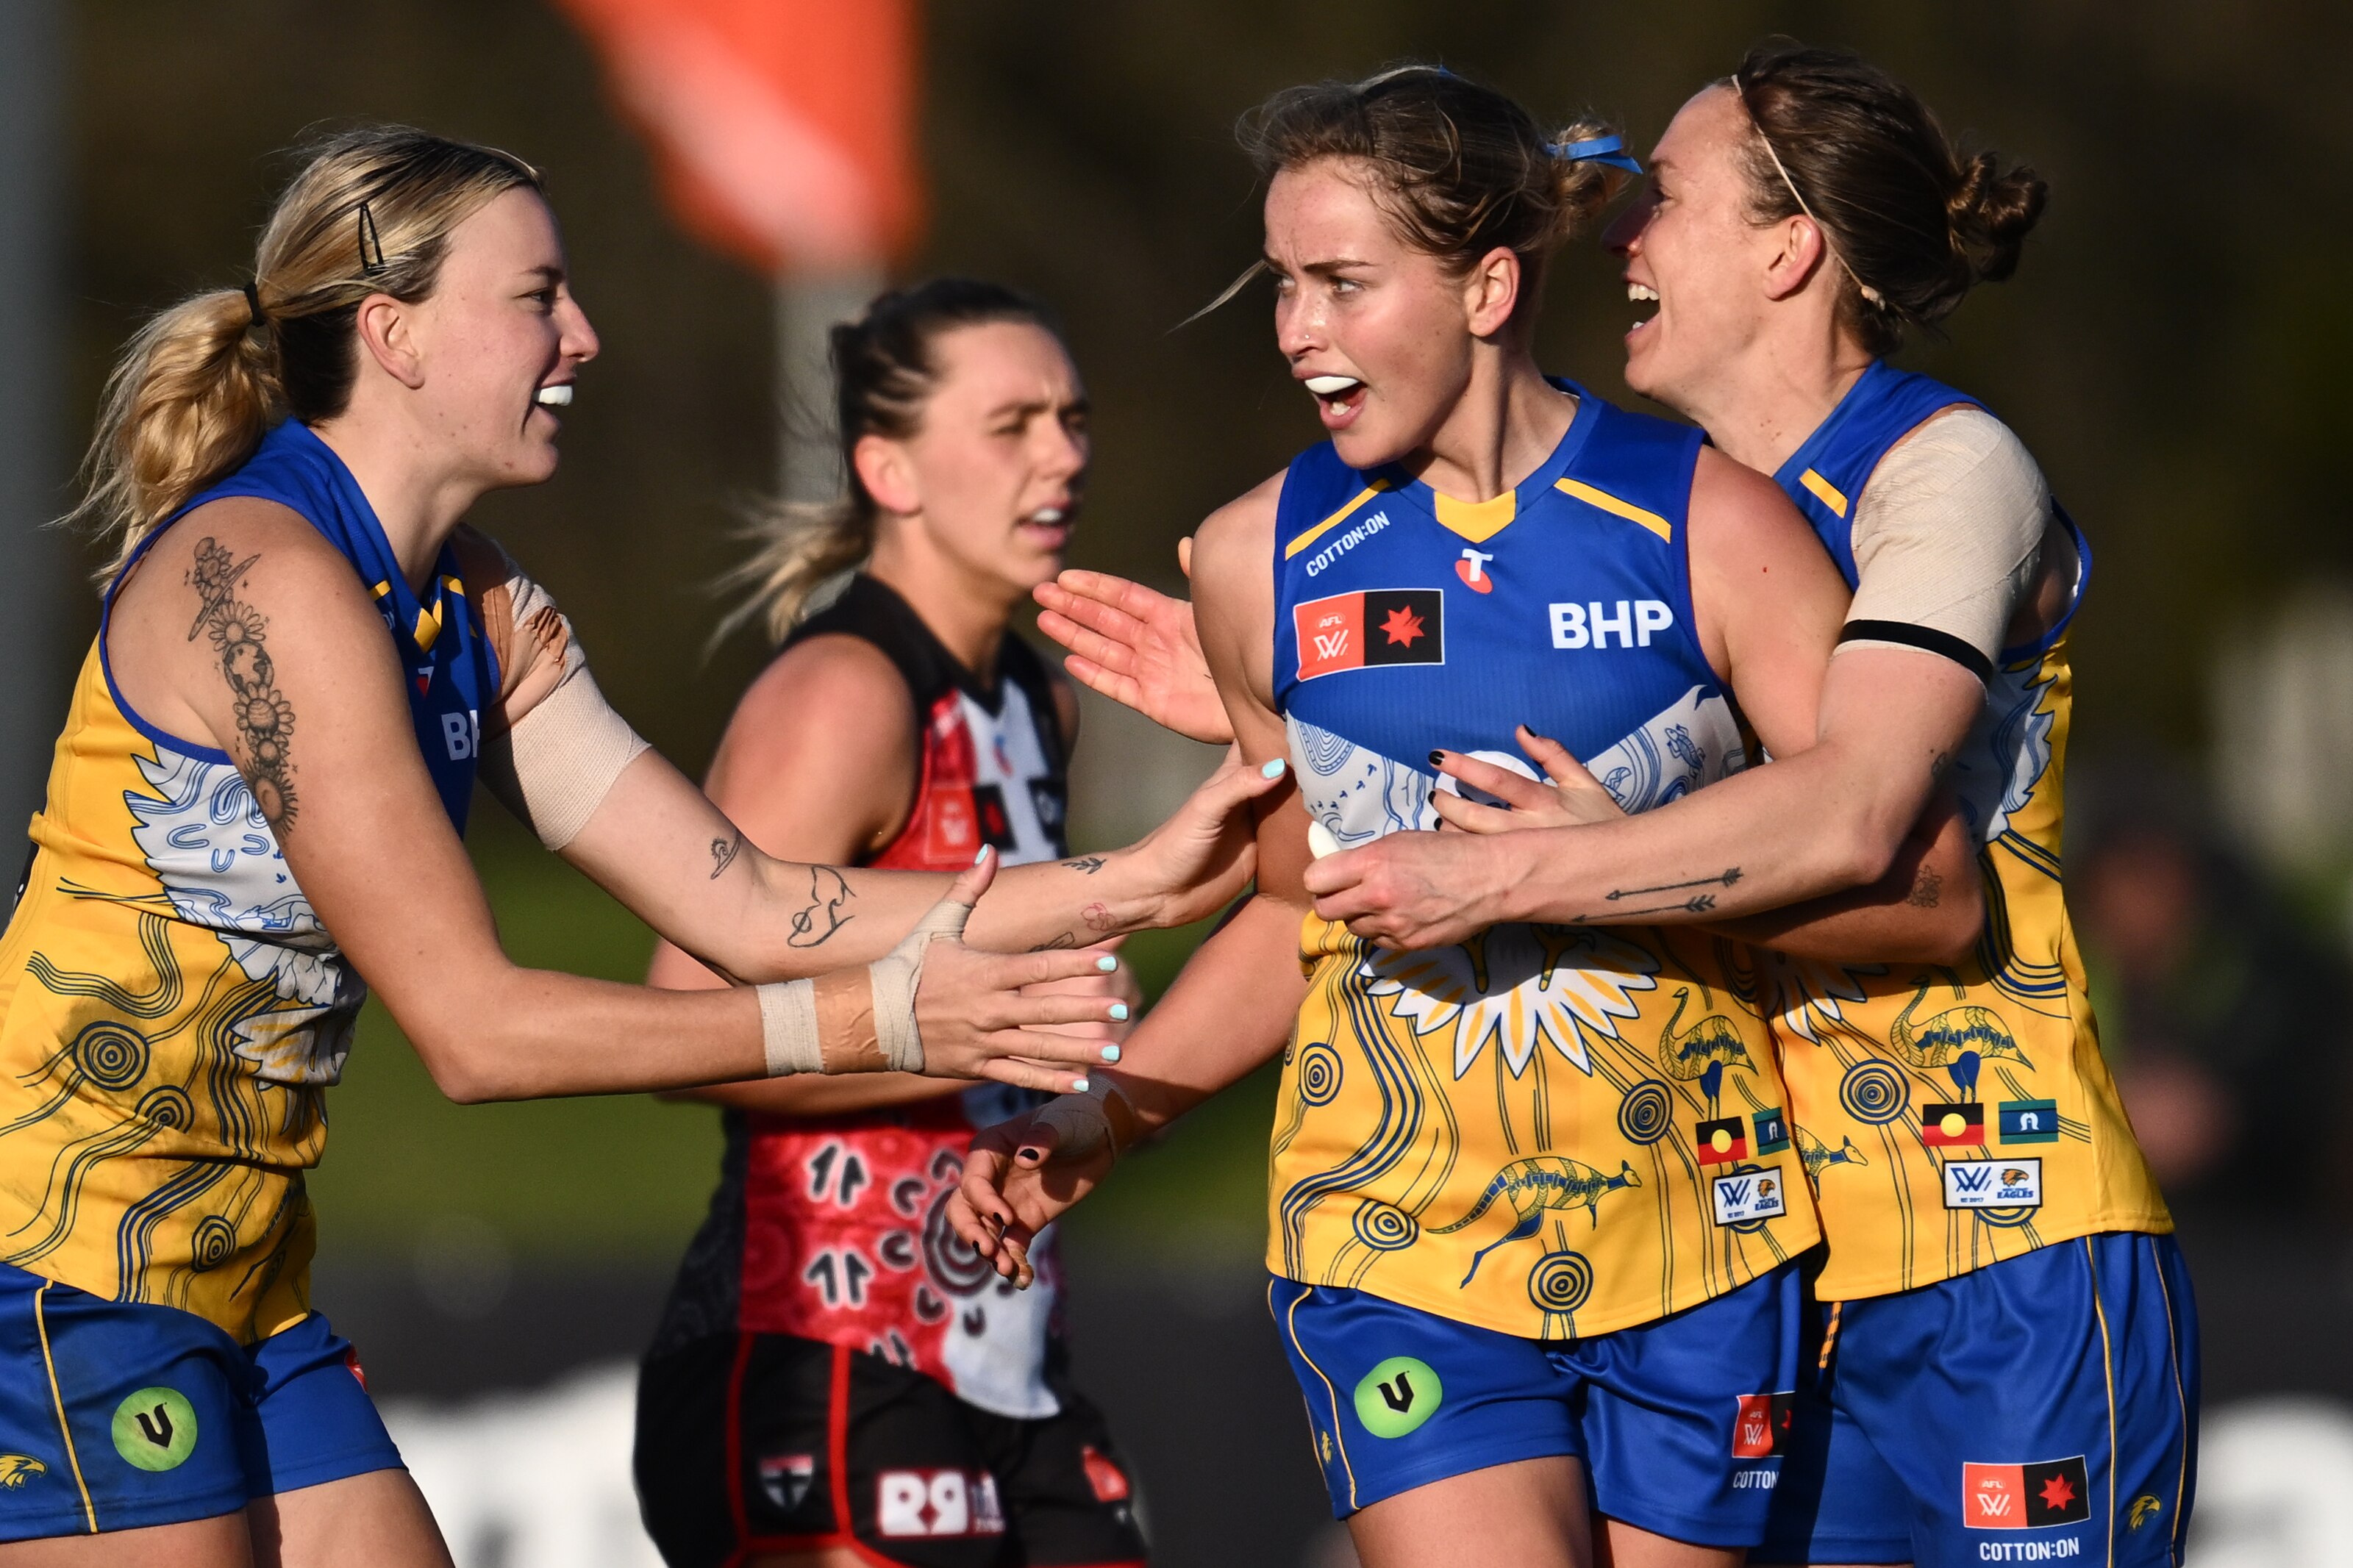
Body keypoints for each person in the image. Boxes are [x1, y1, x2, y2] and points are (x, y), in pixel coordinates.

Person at [0, 127, 1277, 1565]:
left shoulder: (471, 599)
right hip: (60, 1269)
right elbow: (476, 1029)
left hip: (238, 1277)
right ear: (393, 332)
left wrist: (1134, 876)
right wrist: (886, 1014)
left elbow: (748, 899)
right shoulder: (268, 579)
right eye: (537, 295)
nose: (583, 336)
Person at [1015, 41, 2196, 1568]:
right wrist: (1333, 733)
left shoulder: (1937, 468)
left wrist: (1530, 867)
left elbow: (1870, 835)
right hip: (1780, 1243)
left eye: (1668, 201)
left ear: (1789, 250)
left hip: (1998, 1227)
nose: (1622, 233)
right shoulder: (1651, 511)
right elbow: (1342, 887)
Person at [632, 280, 1149, 1568]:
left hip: (1005, 1359)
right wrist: (976, 1033)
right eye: (1012, 423)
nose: (1064, 455)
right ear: (887, 467)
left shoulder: (1037, 697)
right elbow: (683, 1026)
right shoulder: (845, 693)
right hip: (818, 1350)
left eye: (1073, 418)